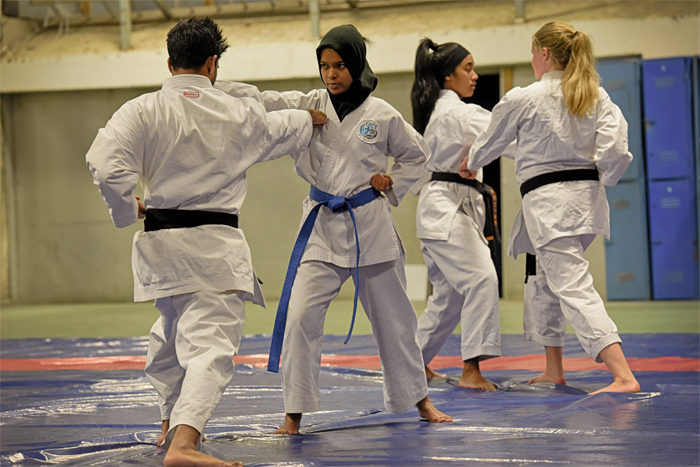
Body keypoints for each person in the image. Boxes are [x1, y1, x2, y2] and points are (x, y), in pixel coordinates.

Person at [86, 17, 326, 467]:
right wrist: (311, 116)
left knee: (171, 337)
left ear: (169, 61)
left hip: (160, 247)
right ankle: (182, 445)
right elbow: (284, 126)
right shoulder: (239, 115)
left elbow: (104, 165)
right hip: (213, 250)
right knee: (210, 346)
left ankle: (167, 426)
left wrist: (127, 210)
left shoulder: (142, 110)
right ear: (213, 63)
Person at [219, 24, 452, 434]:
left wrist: (392, 181)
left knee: (396, 322)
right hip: (322, 228)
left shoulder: (382, 114)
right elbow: (261, 101)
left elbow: (419, 156)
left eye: (340, 65)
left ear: (357, 63)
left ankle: (420, 401)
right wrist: (211, 85)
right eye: (325, 66)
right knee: (300, 318)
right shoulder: (309, 103)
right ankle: (293, 413)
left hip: (370, 227)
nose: (331, 74)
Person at [461, 21, 640, 394]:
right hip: (586, 204)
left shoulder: (523, 97)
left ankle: (623, 376)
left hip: (550, 208)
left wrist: (471, 160)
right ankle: (553, 368)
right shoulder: (597, 96)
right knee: (543, 281)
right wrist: (601, 178)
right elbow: (616, 152)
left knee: (573, 286)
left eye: (532, 52)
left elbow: (489, 140)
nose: (531, 59)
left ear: (543, 53)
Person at [409, 38, 510, 391]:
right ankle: (471, 369)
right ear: (447, 77)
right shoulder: (458, 113)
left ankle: (413, 364)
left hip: (441, 208)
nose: (475, 75)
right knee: (482, 278)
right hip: (446, 209)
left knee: (449, 296)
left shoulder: (441, 112)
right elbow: (506, 134)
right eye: (468, 68)